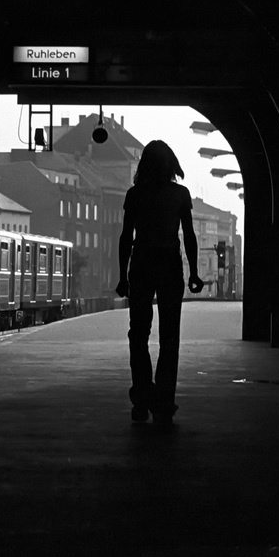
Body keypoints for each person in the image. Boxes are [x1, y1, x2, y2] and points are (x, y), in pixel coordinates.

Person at [115, 140, 204, 425]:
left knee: (138, 333)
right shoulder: (180, 195)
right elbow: (188, 235)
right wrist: (194, 272)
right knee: (169, 336)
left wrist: (122, 275)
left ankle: (142, 395)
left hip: (141, 265)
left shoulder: (135, 195)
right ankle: (164, 400)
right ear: (171, 165)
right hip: (169, 265)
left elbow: (126, 236)